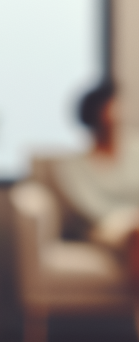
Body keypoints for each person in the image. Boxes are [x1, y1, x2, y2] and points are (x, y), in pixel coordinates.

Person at [53, 81, 139, 278]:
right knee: (137, 233)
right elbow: (92, 209)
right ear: (94, 113)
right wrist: (130, 218)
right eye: (110, 106)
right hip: (106, 226)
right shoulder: (73, 167)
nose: (117, 112)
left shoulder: (136, 150)